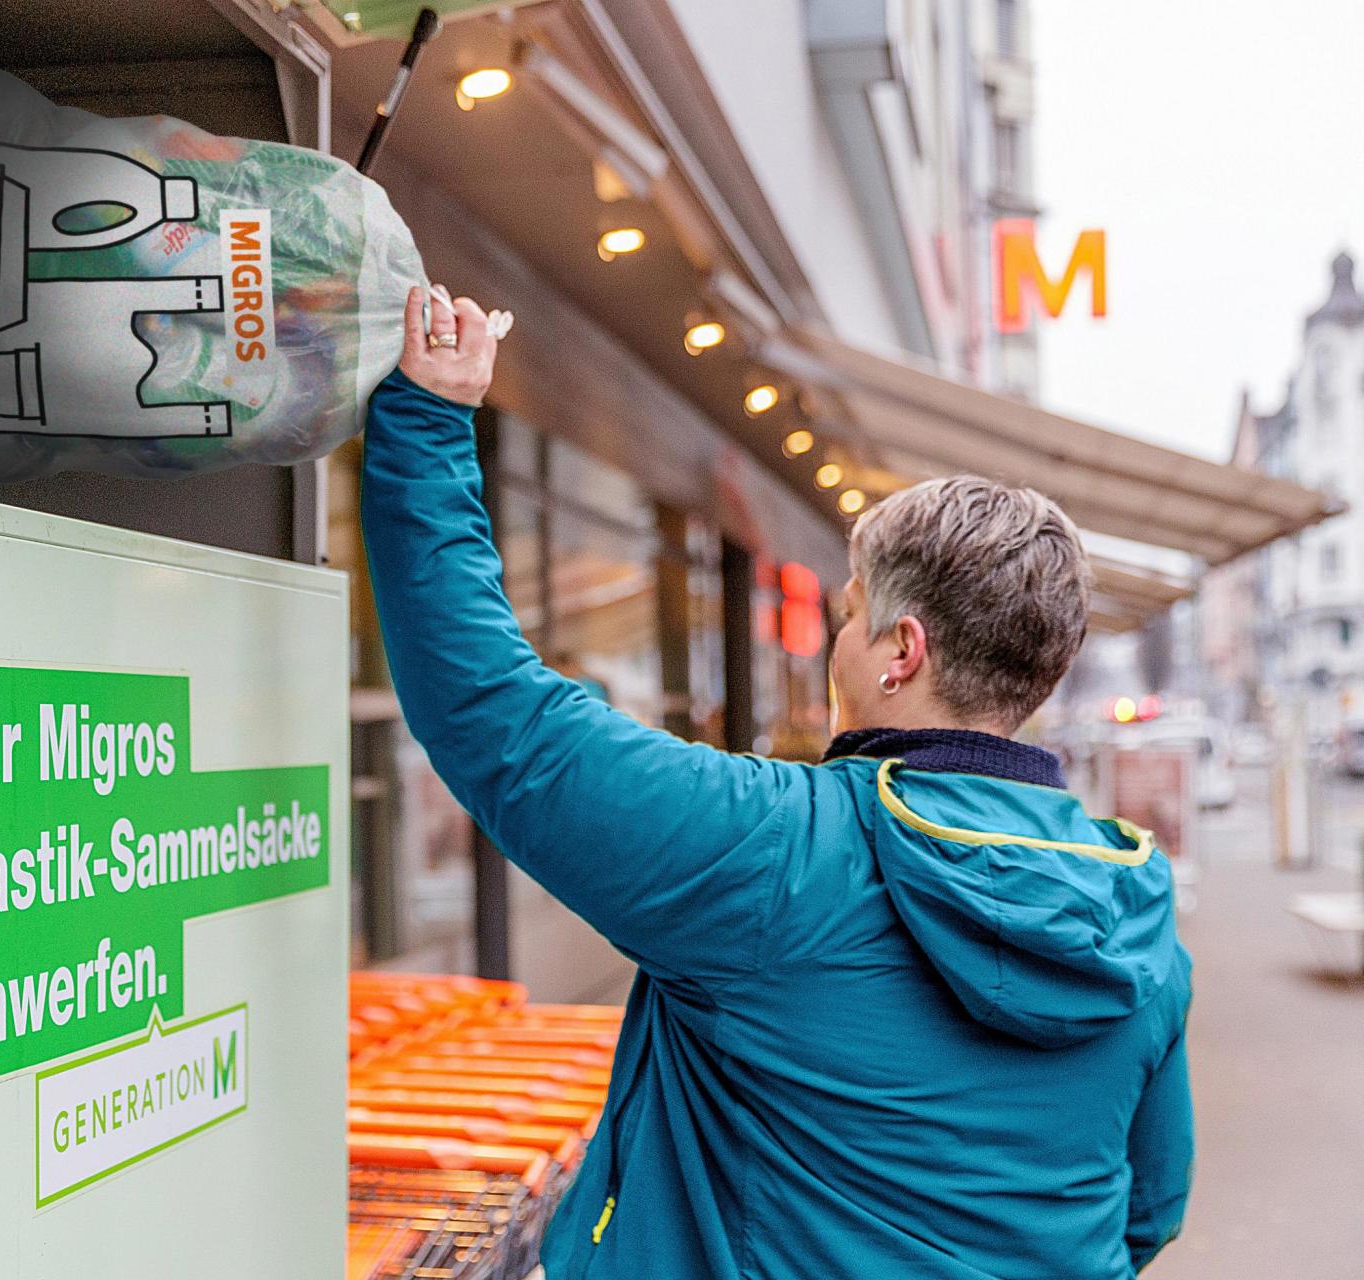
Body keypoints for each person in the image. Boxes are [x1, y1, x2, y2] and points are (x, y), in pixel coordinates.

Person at [359, 285, 1193, 1279]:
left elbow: (496, 716)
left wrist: (430, 414)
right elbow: (1146, 1206)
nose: (835, 643)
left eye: (847, 615)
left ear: (900, 650)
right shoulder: (1134, 907)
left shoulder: (779, 851)